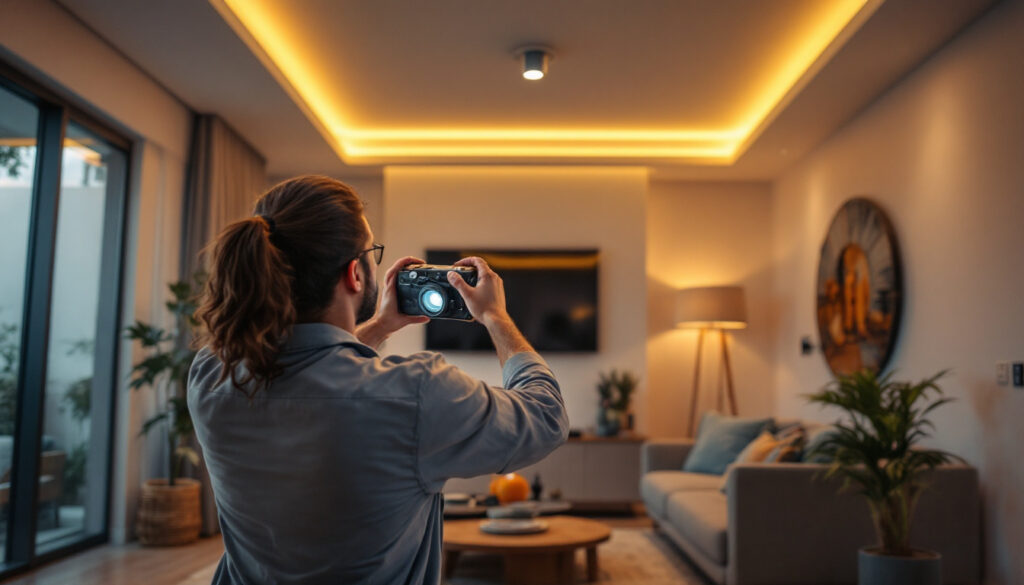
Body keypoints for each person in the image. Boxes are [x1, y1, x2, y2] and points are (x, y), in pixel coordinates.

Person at [187, 175, 569, 585]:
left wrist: (380, 326)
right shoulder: (416, 393)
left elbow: (309, 371)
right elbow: (546, 416)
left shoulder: (212, 373)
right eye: (372, 252)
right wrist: (496, 317)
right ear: (355, 273)